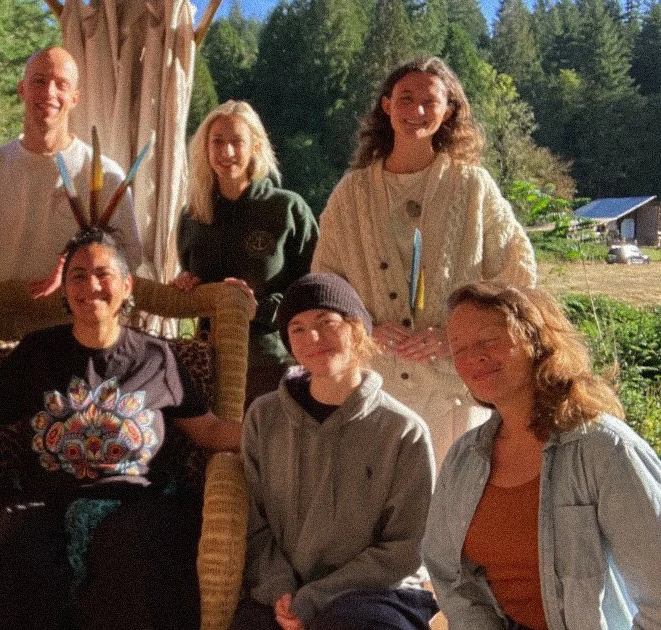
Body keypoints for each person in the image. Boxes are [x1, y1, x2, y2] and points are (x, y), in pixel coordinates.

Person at [0, 230, 239, 630]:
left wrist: (275, 430)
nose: (90, 285)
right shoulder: (37, 352)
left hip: (135, 502)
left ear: (126, 285)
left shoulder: (157, 357)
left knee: (136, 557)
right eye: (77, 275)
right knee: (8, 550)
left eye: (103, 274)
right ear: (64, 288)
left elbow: (210, 432)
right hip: (42, 500)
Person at [311, 56, 537, 468]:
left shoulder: (472, 186)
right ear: (386, 106)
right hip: (373, 387)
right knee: (381, 508)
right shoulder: (352, 192)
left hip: (452, 385)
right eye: (405, 98)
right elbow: (325, 285)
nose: (416, 111)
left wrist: (456, 335)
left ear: (449, 109)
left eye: (429, 101)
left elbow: (518, 272)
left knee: (453, 509)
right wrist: (365, 329)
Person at [424, 282, 661, 630]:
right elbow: (449, 576)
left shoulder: (604, 449)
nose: (475, 357)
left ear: (536, 339)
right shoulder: (464, 457)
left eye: (489, 340)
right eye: (459, 348)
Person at [232, 273, 437, 630]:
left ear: (357, 329)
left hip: (376, 595)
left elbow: (407, 546)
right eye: (297, 328)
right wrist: (282, 591)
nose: (313, 337)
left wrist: (315, 598)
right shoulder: (264, 418)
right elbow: (253, 523)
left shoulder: (403, 431)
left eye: (327, 322)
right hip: (280, 593)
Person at [0, 47, 142, 296]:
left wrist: (79, 270)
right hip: (7, 320)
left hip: (77, 325)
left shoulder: (106, 175)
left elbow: (129, 258)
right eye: (40, 81)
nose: (49, 92)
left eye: (61, 84)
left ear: (75, 98)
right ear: (22, 89)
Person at [175, 100, 318, 406]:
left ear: (255, 146)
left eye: (236, 141)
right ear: (205, 148)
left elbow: (314, 291)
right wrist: (185, 287)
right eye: (218, 142)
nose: (226, 152)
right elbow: (194, 289)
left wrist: (262, 310)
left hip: (272, 364)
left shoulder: (287, 209)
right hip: (208, 363)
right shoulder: (193, 216)